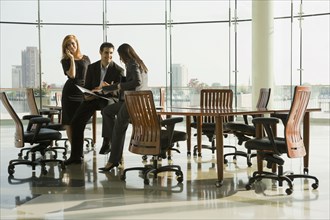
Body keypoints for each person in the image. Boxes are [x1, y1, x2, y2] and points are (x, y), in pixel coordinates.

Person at [64, 42, 125, 165]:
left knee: (107, 110)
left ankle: (107, 142)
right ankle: (76, 156)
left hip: (108, 99)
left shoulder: (119, 70)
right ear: (100, 53)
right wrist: (89, 94)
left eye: (111, 53)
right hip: (93, 98)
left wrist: (110, 88)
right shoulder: (92, 68)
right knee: (76, 121)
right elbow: (87, 87)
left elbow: (120, 95)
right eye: (106, 53)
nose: (109, 55)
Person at [98, 43, 148, 171]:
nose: (119, 58)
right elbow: (131, 82)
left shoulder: (131, 63)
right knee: (107, 111)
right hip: (134, 100)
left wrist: (119, 86)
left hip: (133, 101)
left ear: (123, 54)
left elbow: (137, 82)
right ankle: (111, 142)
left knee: (119, 129)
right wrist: (107, 88)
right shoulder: (139, 63)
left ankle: (113, 160)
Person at [60, 35, 90, 143]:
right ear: (65, 48)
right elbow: (72, 75)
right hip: (70, 93)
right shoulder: (65, 60)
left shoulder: (86, 58)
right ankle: (74, 151)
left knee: (80, 122)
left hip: (82, 93)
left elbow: (90, 75)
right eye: (68, 45)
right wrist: (72, 59)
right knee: (69, 122)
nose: (71, 46)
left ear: (77, 43)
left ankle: (79, 150)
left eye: (73, 43)